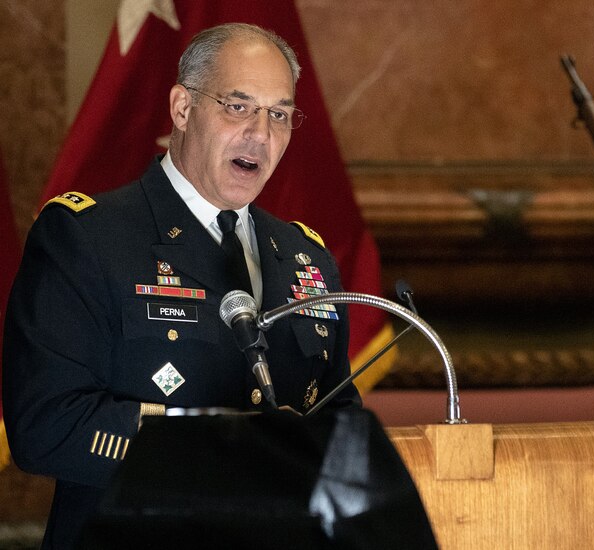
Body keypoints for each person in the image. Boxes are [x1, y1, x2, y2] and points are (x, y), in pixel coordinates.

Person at [3, 23, 360, 548]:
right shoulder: (88, 237)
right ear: (182, 108)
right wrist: (219, 448)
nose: (260, 133)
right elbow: (43, 427)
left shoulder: (308, 258)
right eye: (238, 107)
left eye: (279, 114)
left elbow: (338, 418)